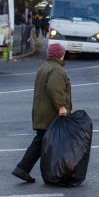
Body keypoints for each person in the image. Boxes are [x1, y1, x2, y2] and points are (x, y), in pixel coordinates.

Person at [12, 43, 71, 183]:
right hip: (51, 114)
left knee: (42, 143)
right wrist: (61, 107)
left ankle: (25, 169)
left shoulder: (44, 67)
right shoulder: (57, 70)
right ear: (60, 54)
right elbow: (54, 88)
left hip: (42, 112)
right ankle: (31, 170)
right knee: (48, 143)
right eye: (63, 53)